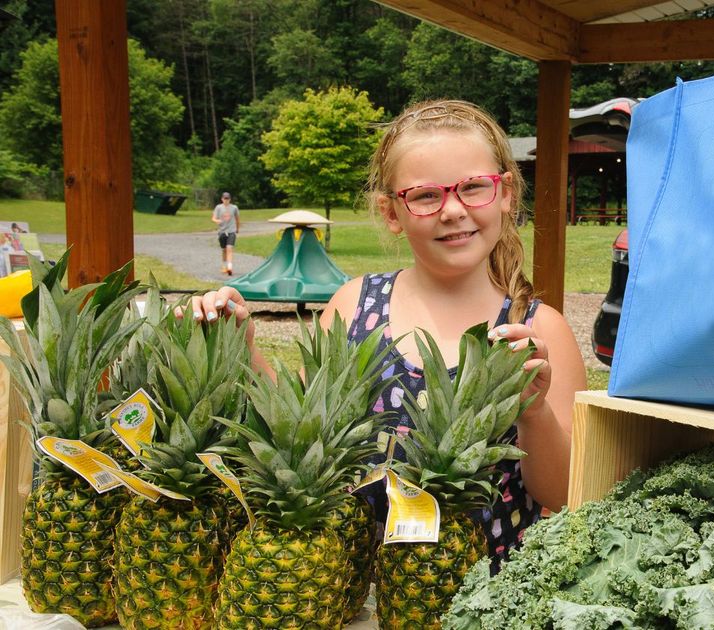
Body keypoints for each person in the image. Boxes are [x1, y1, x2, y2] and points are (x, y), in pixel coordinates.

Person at [190, 100, 586, 563]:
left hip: (488, 590)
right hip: (355, 584)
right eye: (425, 196)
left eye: (473, 187)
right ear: (392, 213)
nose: (453, 211)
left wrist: (534, 413)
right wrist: (242, 345)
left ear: (506, 194)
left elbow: (562, 491)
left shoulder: (539, 329)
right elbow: (296, 428)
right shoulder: (354, 304)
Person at [212, 192, 240, 275]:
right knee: (224, 249)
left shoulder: (234, 208)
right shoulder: (218, 207)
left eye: (227, 198)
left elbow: (237, 219)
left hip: (231, 231)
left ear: (230, 199)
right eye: (225, 198)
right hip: (222, 232)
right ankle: (224, 265)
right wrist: (217, 220)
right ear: (222, 199)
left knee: (229, 248)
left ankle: (230, 267)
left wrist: (237, 229)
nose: (226, 200)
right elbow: (213, 218)